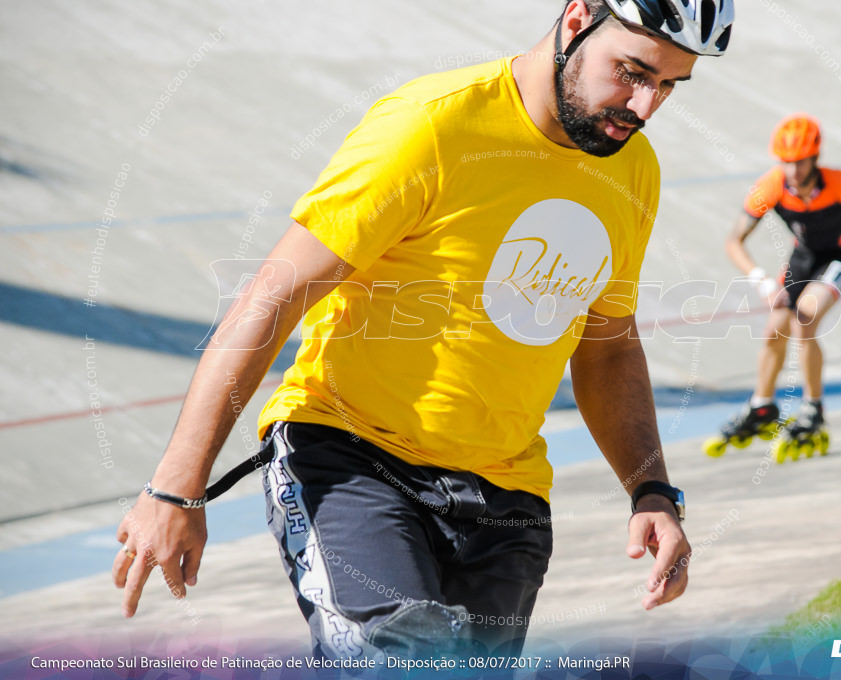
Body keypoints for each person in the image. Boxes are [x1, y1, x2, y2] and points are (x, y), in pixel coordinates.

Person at [112, 0, 734, 659]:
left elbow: (607, 345)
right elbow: (274, 297)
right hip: (353, 460)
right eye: (632, 72)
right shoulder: (432, 125)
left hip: (508, 497)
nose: (644, 107)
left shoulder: (631, 168)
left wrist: (651, 488)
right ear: (577, 20)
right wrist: (175, 486)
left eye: (668, 85)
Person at [708, 113, 841, 460]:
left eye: (800, 162)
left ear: (815, 158)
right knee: (775, 326)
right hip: (804, 257)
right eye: (787, 163)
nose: (793, 170)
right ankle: (762, 405)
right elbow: (734, 241)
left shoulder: (839, 183)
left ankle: (813, 407)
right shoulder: (772, 187)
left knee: (805, 318)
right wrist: (761, 280)